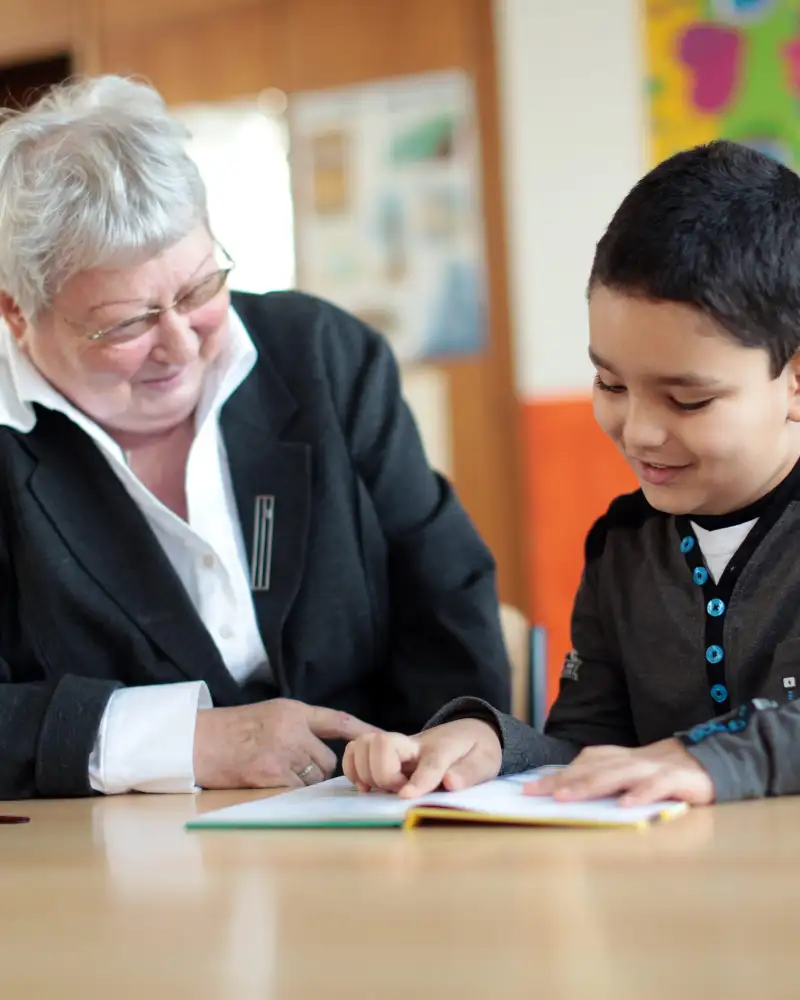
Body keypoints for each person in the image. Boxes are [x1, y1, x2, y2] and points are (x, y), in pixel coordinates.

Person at [0, 75, 511, 800]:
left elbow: (444, 588)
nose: (179, 344)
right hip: (113, 865)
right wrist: (184, 741)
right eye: (127, 323)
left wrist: (456, 741)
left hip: (375, 819)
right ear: (17, 314)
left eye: (199, 290)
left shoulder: (324, 357)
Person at [344, 139, 800, 807]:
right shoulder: (623, 547)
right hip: (665, 897)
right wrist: (493, 742)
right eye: (610, 383)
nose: (640, 431)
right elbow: (591, 743)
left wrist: (701, 760)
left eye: (688, 399)